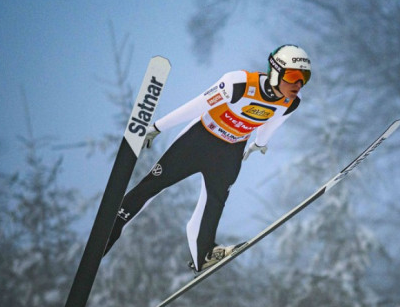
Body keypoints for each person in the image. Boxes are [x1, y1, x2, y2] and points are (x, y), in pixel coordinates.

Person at [104, 44, 311, 271]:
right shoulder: (239, 83)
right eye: (293, 76)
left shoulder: (291, 102)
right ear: (275, 71)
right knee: (153, 184)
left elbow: (271, 123)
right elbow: (197, 105)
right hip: (199, 141)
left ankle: (203, 253)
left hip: (230, 151)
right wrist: (157, 127)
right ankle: (111, 227)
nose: (298, 84)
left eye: (304, 78)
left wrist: (259, 144)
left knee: (216, 200)